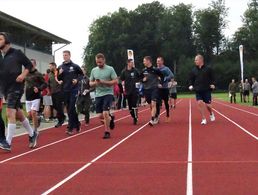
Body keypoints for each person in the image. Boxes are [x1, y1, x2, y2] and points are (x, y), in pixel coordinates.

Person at [0, 32, 38, 151]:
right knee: (18, 113)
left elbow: (29, 66)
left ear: (7, 41)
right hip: (4, 88)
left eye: (0, 39)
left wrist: (23, 74)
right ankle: (32, 134)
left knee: (10, 112)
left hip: (16, 87)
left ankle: (8, 142)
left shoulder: (17, 53)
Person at [89, 53, 117, 139]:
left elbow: (115, 81)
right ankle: (111, 118)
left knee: (105, 113)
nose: (99, 64)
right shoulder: (94, 70)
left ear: (104, 60)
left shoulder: (110, 69)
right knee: (99, 116)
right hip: (98, 94)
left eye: (100, 62)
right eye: (97, 62)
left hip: (108, 93)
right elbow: (90, 83)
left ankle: (107, 131)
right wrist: (95, 83)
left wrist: (104, 82)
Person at [57, 50, 83, 135]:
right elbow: (58, 78)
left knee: (71, 108)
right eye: (63, 55)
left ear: (70, 56)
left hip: (74, 90)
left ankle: (70, 127)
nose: (65, 56)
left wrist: (77, 80)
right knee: (69, 110)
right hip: (65, 90)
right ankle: (77, 124)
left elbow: (82, 75)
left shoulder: (75, 66)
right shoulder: (60, 67)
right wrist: (59, 74)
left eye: (66, 55)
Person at [188, 54, 215, 125]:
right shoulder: (193, 70)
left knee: (208, 105)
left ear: (201, 60)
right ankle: (203, 118)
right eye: (195, 60)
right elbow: (191, 79)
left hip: (206, 90)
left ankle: (211, 113)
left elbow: (213, 78)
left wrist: (213, 84)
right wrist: (190, 85)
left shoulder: (208, 69)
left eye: (196, 60)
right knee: (199, 103)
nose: (195, 61)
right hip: (198, 90)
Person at [24, 59, 47, 133]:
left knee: (33, 112)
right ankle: (38, 118)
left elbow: (45, 84)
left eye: (32, 64)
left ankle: (35, 131)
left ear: (35, 65)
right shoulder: (25, 73)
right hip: (28, 96)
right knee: (30, 115)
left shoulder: (38, 74)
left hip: (36, 96)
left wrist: (39, 89)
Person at [140, 56, 163, 126]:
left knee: (153, 104)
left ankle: (152, 119)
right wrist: (142, 80)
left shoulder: (155, 70)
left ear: (148, 61)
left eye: (144, 61)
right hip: (146, 90)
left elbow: (162, 76)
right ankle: (156, 116)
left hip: (154, 88)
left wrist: (160, 83)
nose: (143, 62)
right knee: (150, 105)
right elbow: (140, 78)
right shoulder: (143, 70)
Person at [120, 59, 140, 125]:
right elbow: (122, 80)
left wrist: (139, 82)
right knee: (130, 107)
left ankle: (135, 118)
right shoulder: (124, 71)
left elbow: (140, 77)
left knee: (134, 105)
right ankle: (133, 115)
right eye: (131, 62)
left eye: (133, 62)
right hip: (128, 91)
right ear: (128, 63)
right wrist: (123, 86)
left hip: (135, 90)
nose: (132, 64)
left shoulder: (135, 70)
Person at [156, 57, 174, 122]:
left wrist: (165, 78)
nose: (157, 62)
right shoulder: (156, 69)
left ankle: (167, 115)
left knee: (166, 102)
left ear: (162, 62)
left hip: (165, 88)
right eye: (157, 61)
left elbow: (172, 75)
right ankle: (157, 116)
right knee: (157, 103)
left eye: (159, 61)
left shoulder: (166, 69)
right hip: (158, 88)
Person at [48, 62, 66, 128]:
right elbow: (49, 83)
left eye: (50, 66)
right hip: (53, 92)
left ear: (54, 66)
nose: (49, 68)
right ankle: (63, 116)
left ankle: (60, 121)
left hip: (59, 91)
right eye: (49, 66)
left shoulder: (59, 71)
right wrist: (49, 91)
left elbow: (63, 79)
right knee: (55, 106)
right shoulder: (49, 74)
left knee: (58, 105)